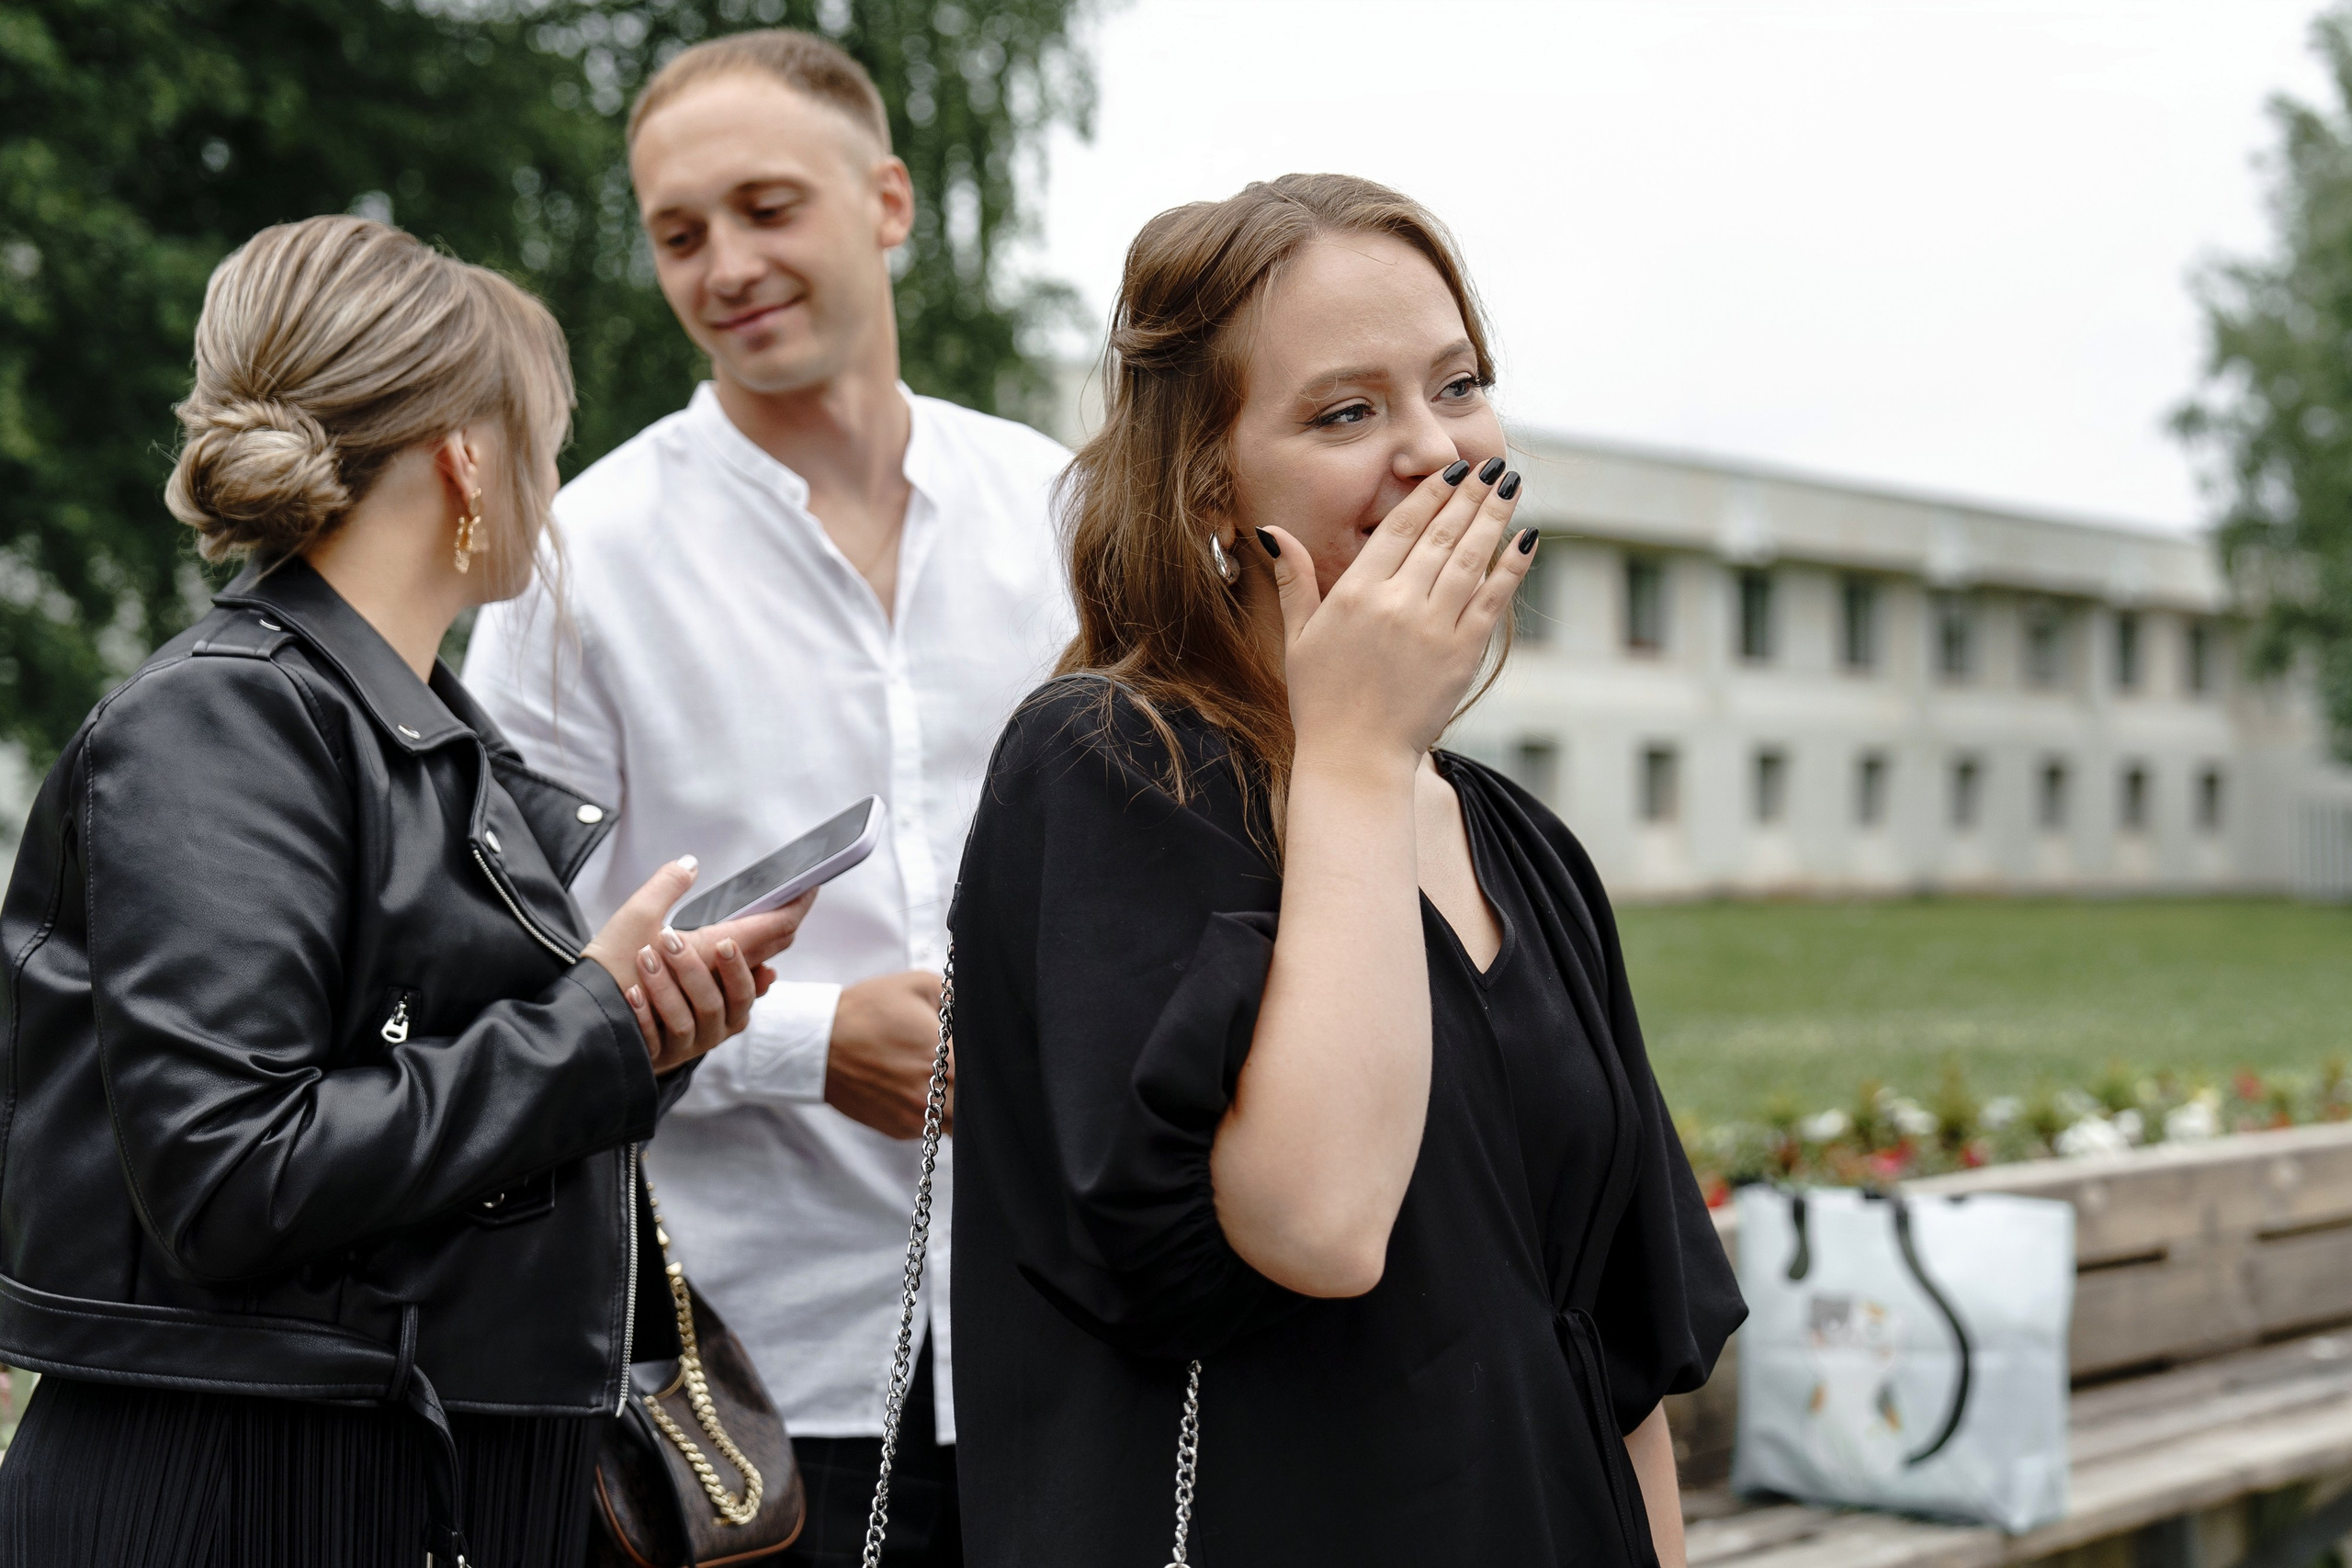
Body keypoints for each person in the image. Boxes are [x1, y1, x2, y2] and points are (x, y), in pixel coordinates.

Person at [946, 174, 1747, 1567]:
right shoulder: (1110, 769)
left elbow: (1623, 1370)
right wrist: (1360, 754)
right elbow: (1318, 1225)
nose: (1436, 451)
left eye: (1460, 385)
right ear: (1209, 477)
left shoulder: (1519, 843)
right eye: (1346, 412)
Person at [0, 214, 811, 1568]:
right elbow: (229, 1172)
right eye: (545, 444)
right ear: (468, 459)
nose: (555, 489)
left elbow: (436, 1119)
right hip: (246, 1499)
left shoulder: (419, 738)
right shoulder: (227, 725)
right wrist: (590, 1029)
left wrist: (641, 1037)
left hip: (378, 1475)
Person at [464, 29, 1070, 1566]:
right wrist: (807, 1044)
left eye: (766, 207)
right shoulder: (571, 561)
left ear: (887, 201)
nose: (724, 263)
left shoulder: (1063, 512)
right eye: (679, 232)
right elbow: (499, 960)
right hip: (746, 1381)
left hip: (1070, 1327)